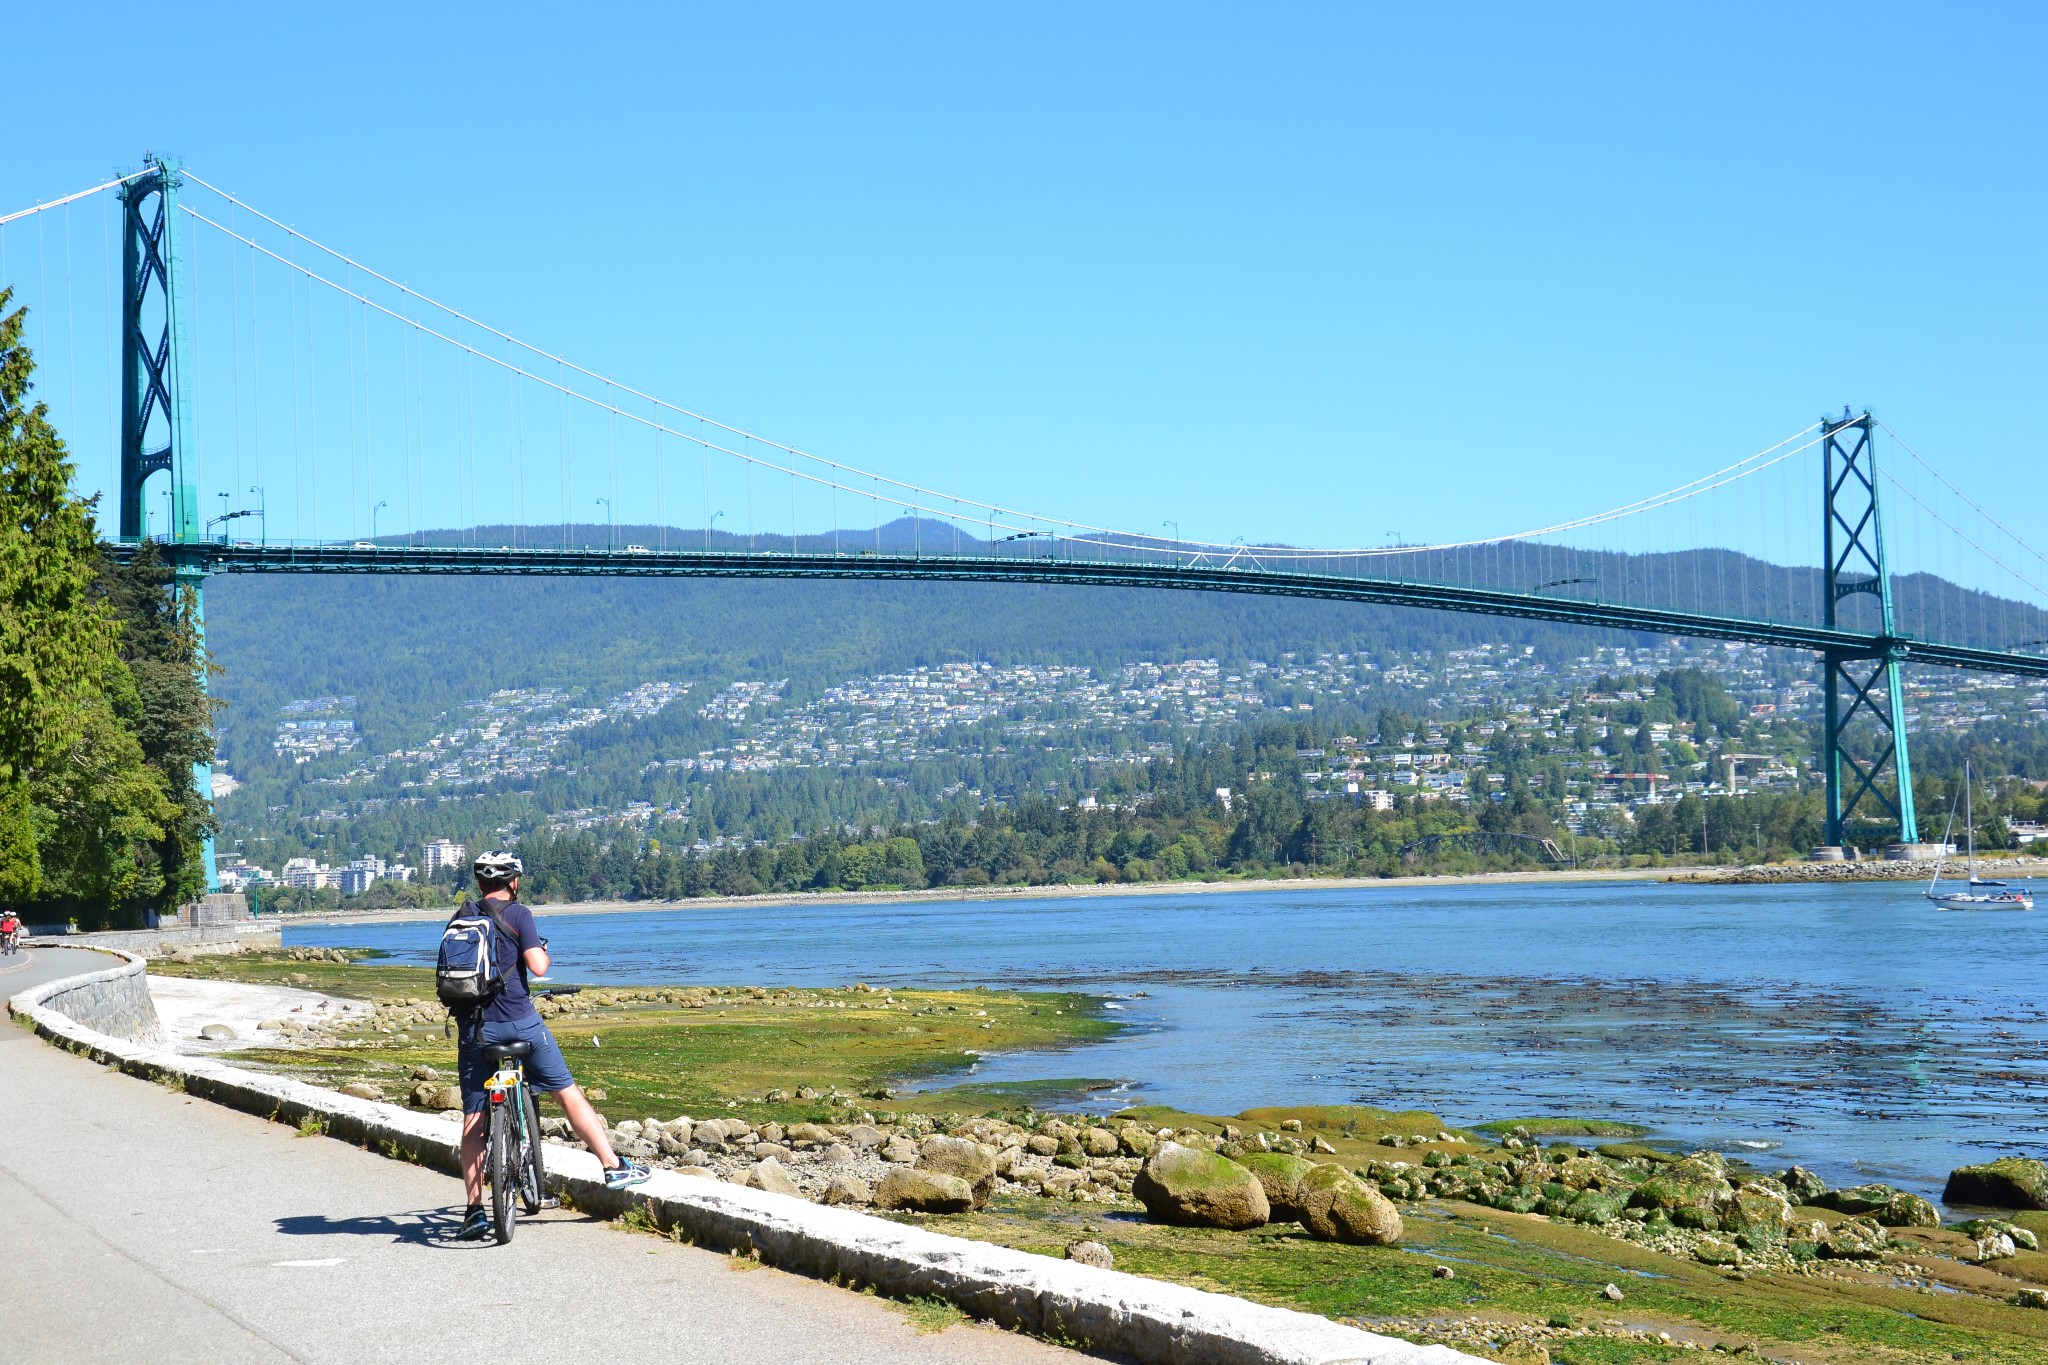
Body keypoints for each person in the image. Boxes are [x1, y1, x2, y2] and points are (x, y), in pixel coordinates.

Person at [451, 850, 647, 1241]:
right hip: (521, 1023)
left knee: (474, 1117)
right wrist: (540, 948)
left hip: (475, 1029)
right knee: (566, 1092)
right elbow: (538, 967)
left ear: (480, 884)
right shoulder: (519, 914)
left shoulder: (461, 916)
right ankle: (612, 1165)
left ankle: (474, 1211)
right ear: (513, 882)